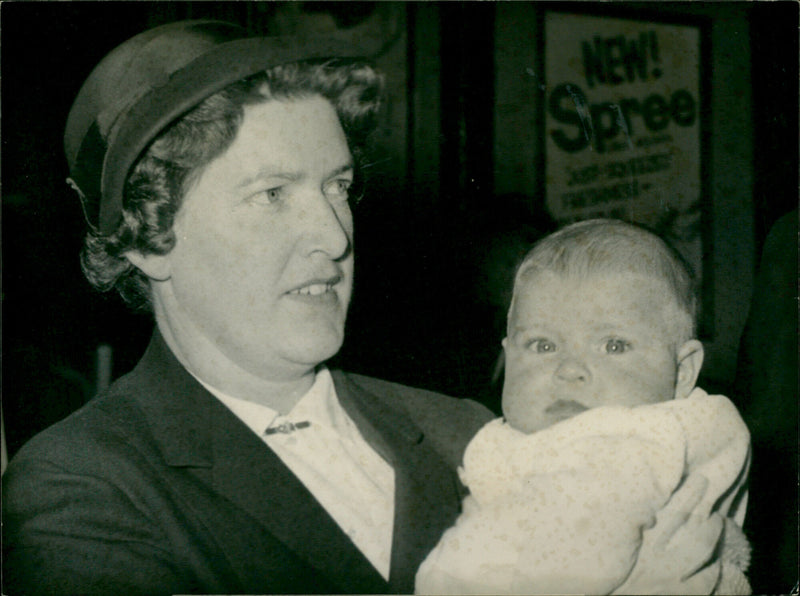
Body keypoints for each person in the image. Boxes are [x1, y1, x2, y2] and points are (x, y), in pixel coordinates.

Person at [3, 21, 724, 595]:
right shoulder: (82, 486)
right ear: (151, 239)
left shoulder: (467, 431)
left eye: (337, 187)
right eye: (274, 193)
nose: (333, 233)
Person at [416, 219, 752, 595]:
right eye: (543, 345)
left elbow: (573, 566)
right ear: (507, 356)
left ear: (684, 370)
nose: (569, 369)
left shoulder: (631, 443)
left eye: (613, 345)